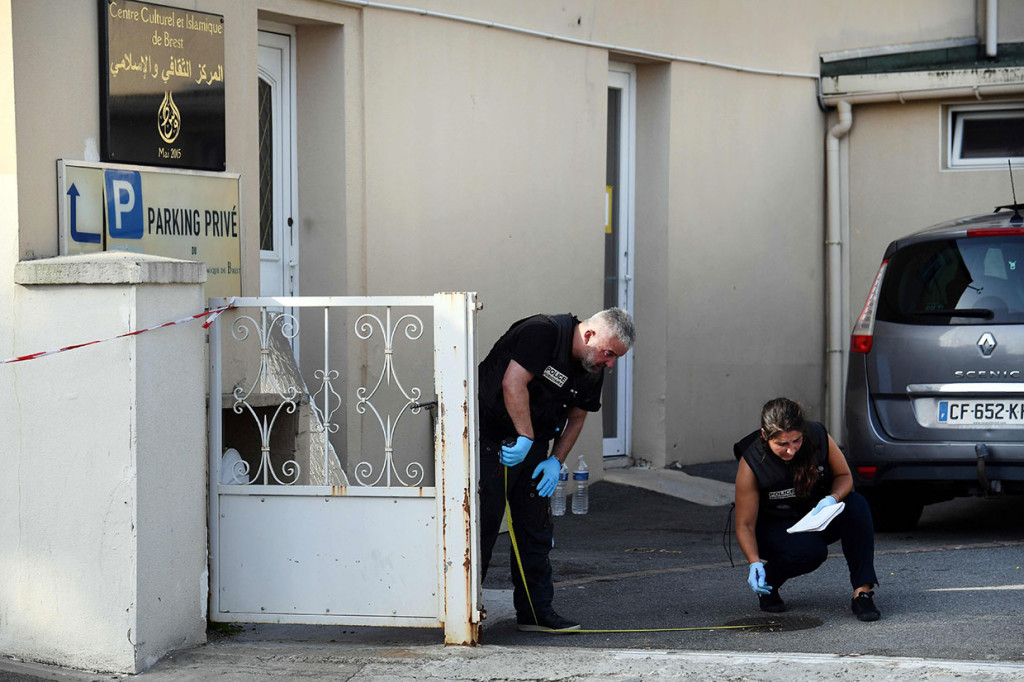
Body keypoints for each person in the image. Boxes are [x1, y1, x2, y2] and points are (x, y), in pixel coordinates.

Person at [477, 307, 635, 632]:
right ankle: (462, 611)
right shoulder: (543, 332)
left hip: (534, 445)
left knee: (535, 529)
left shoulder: (592, 366)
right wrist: (524, 436)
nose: (610, 364)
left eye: (616, 358)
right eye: (609, 354)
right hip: (493, 441)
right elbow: (512, 383)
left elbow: (577, 417)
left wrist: (555, 460)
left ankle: (535, 613)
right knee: (483, 526)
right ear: (589, 335)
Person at [733, 397, 881, 622]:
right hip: (775, 525)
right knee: (811, 552)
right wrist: (754, 562)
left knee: (856, 505)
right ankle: (769, 581)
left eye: (796, 441)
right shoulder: (751, 461)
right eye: (782, 444)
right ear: (765, 435)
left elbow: (844, 475)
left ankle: (863, 593)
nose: (791, 450)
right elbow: (744, 524)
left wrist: (832, 498)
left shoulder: (817, 435)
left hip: (815, 513)